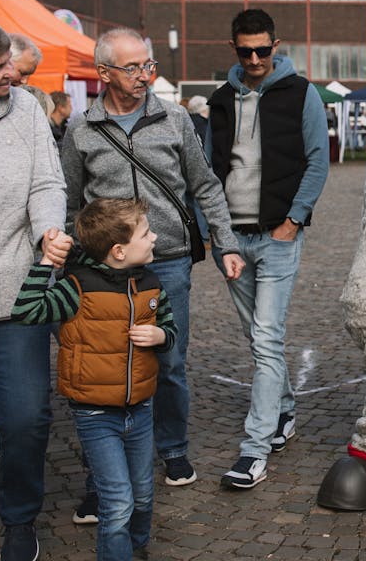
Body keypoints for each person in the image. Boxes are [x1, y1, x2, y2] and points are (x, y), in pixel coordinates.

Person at [61, 27, 244, 497]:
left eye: (148, 64)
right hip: (101, 270)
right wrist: (69, 263)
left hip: (167, 262)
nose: (146, 75)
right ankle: (105, 464)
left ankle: (172, 445)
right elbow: (69, 201)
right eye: (134, 67)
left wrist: (225, 243)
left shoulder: (175, 119)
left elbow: (204, 185)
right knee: (105, 361)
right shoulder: (82, 128)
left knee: (169, 359)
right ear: (104, 72)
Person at [13, 198, 177, 561]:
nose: (154, 239)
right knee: (118, 500)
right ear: (119, 251)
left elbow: (170, 327)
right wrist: (45, 264)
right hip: (95, 416)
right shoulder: (77, 287)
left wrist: (161, 336)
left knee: (144, 494)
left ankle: (134, 549)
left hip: (142, 409)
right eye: (146, 233)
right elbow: (27, 312)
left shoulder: (151, 283)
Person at [207, 7, 329, 489]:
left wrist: (293, 220)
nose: (255, 58)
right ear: (234, 49)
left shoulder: (302, 94)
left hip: (279, 235)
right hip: (231, 240)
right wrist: (217, 236)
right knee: (258, 340)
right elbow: (209, 172)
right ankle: (284, 411)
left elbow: (318, 160)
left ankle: (253, 450)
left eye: (262, 49)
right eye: (245, 50)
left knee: (266, 339)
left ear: (275, 46)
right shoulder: (219, 101)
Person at [0, 16, 70, 561]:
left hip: (17, 291)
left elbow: (46, 181)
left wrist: (48, 229)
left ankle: (18, 521)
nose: (12, 72)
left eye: (11, 60)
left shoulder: (27, 109)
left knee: (27, 416)